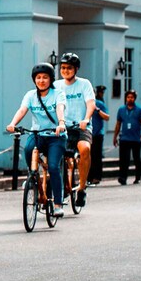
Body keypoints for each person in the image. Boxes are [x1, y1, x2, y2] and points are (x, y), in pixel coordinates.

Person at [6, 63, 68, 217]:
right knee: (28, 149)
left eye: (45, 77)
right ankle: (32, 175)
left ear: (51, 79)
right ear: (34, 80)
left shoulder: (57, 94)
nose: (41, 80)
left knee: (53, 167)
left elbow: (60, 108)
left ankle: (58, 204)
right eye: (38, 78)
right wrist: (13, 124)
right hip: (38, 134)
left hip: (56, 136)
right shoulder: (30, 95)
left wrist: (61, 123)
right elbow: (22, 110)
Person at [53, 52, 95, 207]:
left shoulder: (84, 84)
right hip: (63, 126)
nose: (65, 71)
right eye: (63, 68)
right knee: (54, 154)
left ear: (76, 69)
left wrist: (86, 119)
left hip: (81, 126)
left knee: (84, 149)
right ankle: (60, 186)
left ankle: (82, 188)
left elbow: (91, 104)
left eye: (69, 68)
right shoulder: (56, 85)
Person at [112, 89, 141, 185]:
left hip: (136, 138)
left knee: (136, 159)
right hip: (124, 138)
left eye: (131, 97)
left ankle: (138, 177)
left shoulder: (140, 110)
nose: (130, 99)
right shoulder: (121, 109)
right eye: (128, 97)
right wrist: (115, 136)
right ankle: (122, 177)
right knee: (124, 159)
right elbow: (118, 124)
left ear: (134, 98)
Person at [88, 85, 110, 185]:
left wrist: (97, 110)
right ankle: (88, 177)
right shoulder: (83, 104)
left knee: (96, 156)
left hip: (97, 134)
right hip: (86, 133)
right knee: (87, 156)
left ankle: (96, 177)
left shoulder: (100, 103)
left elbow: (107, 117)